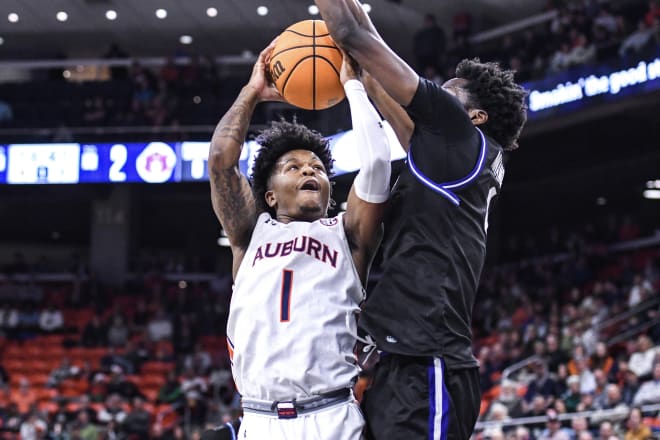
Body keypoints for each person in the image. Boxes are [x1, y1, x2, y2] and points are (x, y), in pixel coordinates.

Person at [314, 1, 528, 438]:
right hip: (406, 363)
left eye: (447, 92)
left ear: (475, 116)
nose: (433, 93)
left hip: (430, 365)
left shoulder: (458, 138)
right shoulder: (450, 156)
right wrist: (361, 73)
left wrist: (349, 29)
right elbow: (377, 77)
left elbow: (354, 37)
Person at [207, 40, 392, 440]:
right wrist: (251, 92)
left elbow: (377, 162)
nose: (309, 171)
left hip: (331, 415)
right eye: (293, 166)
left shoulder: (348, 233)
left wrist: (353, 87)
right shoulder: (249, 233)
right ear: (269, 195)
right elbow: (222, 158)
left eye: (318, 168)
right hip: (258, 420)